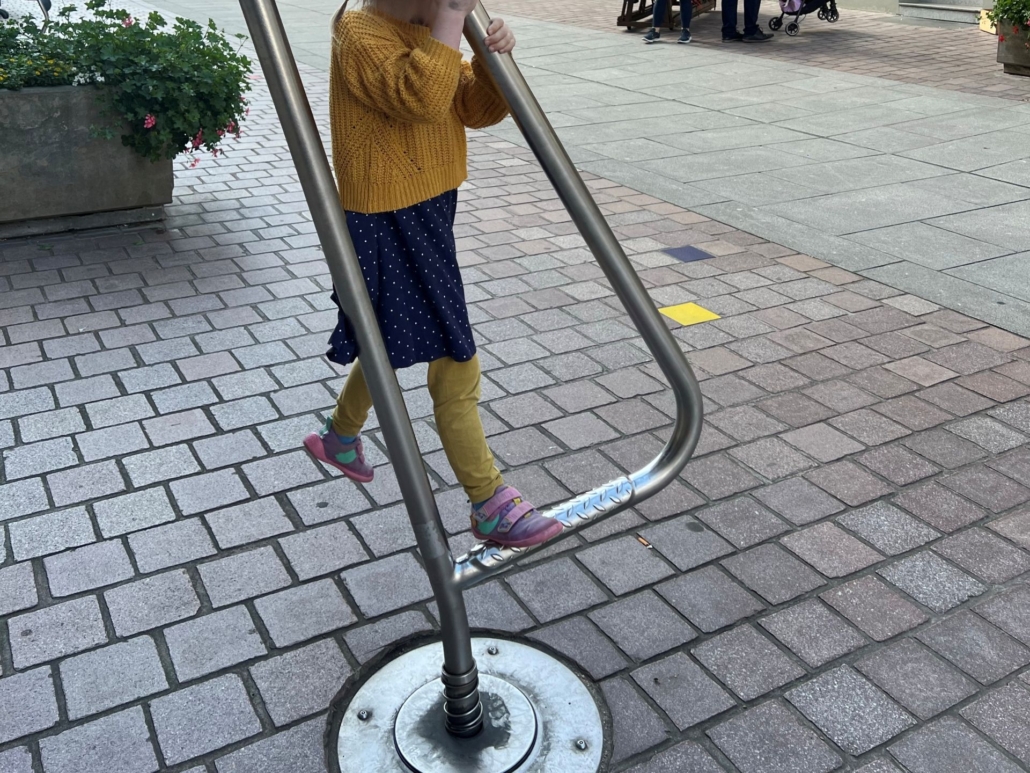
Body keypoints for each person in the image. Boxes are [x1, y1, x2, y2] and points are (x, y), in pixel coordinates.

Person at [304, 0, 564, 549]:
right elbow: (421, 99)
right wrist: (448, 21)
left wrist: (490, 60)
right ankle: (488, 500)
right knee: (453, 353)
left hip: (425, 205)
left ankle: (339, 436)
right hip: (387, 216)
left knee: (389, 332)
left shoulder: (418, 28)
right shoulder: (360, 32)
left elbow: (471, 107)